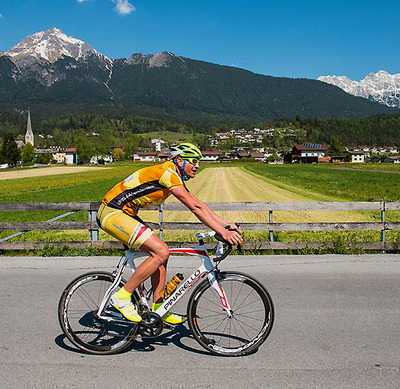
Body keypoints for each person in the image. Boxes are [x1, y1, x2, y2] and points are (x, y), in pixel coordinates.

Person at [97, 142, 243, 324]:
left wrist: (225, 225)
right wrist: (223, 232)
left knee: (161, 256)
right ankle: (122, 296)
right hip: (112, 212)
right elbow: (195, 208)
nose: (197, 165)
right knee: (161, 251)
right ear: (180, 160)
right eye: (194, 161)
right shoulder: (169, 173)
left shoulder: (173, 175)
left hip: (125, 213)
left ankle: (159, 309)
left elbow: (200, 204)